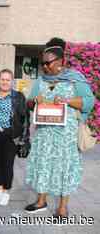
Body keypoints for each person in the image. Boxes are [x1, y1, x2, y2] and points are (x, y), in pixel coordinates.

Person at [25, 38, 95, 217]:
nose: (45, 66)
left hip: (66, 137)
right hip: (44, 135)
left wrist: (67, 101)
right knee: (43, 165)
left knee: (64, 168)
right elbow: (29, 103)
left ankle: (62, 208)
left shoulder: (74, 79)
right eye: (42, 63)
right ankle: (41, 201)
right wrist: (34, 101)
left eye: (48, 63)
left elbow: (88, 102)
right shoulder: (41, 81)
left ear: (60, 61)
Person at [0, 69, 30, 206]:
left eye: (7, 80)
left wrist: (24, 138)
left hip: (11, 136)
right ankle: (0, 188)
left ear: (12, 82)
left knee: (7, 164)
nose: (4, 82)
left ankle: (7, 191)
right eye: (2, 79)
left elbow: (25, 118)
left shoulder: (18, 97)